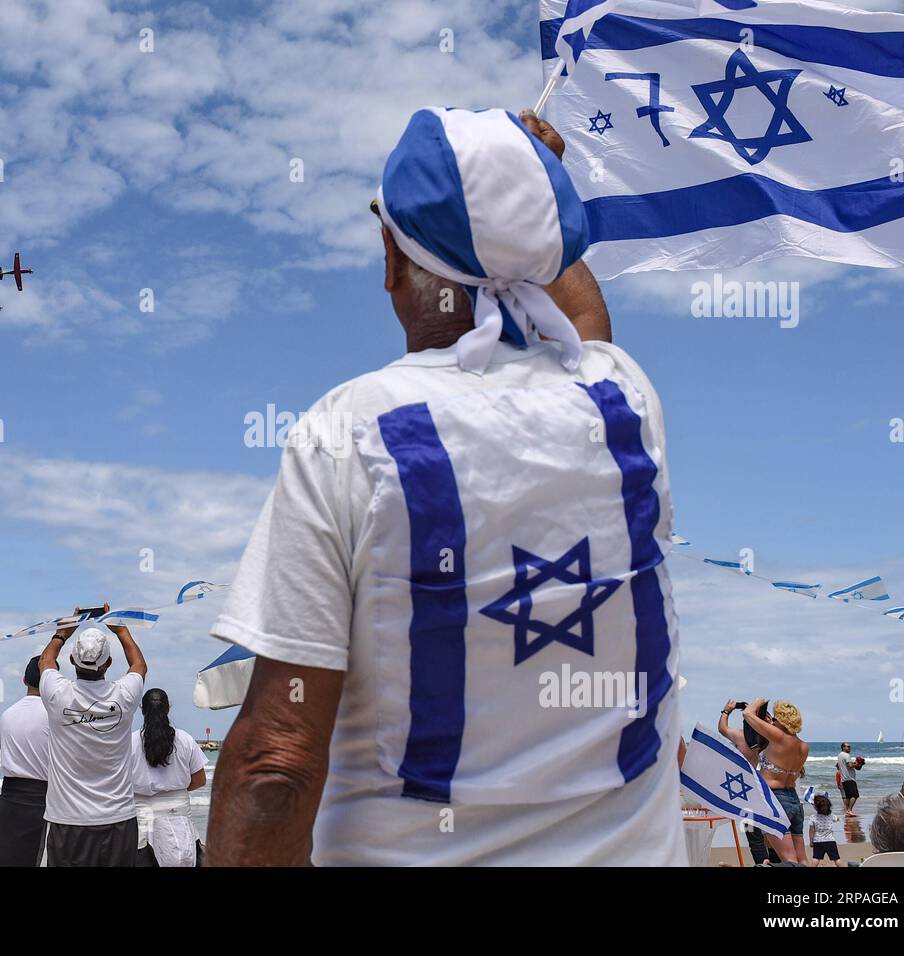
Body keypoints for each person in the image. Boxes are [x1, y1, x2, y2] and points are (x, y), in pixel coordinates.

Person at [207, 107, 685, 866]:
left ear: (391, 260)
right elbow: (587, 323)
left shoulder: (349, 430)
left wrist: (521, 189)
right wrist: (530, 193)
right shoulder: (624, 401)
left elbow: (277, 763)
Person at [37, 605, 147, 866]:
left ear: (73, 660)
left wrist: (62, 633)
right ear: (108, 663)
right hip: (118, 818)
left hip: (68, 821)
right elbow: (139, 665)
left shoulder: (57, 694)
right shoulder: (125, 695)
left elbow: (46, 662)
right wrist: (120, 629)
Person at [0, 656, 51, 867]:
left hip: (8, 795)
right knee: (28, 858)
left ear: (24, 680)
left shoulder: (7, 714)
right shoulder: (53, 716)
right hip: (39, 798)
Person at [718, 698, 809, 864]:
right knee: (802, 860)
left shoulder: (777, 738)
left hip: (773, 800)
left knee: (788, 859)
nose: (771, 721)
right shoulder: (803, 746)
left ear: (781, 721)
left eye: (774, 718)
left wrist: (757, 702)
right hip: (794, 801)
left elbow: (747, 714)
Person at [130, 688, 208, 867]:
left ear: (142, 709)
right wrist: (175, 788)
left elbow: (121, 783)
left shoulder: (131, 742)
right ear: (168, 708)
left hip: (142, 819)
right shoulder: (185, 739)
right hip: (179, 817)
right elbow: (200, 779)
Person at [808, 792, 841, 867]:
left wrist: (811, 841)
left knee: (816, 859)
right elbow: (837, 819)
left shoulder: (813, 817)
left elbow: (811, 830)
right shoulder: (831, 816)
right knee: (837, 859)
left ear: (815, 807)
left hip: (818, 841)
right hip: (830, 841)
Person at [837, 742, 861, 817]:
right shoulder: (847, 755)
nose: (849, 748)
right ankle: (849, 810)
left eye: (849, 747)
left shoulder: (840, 755)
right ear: (843, 747)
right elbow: (850, 765)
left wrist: (853, 763)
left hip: (843, 778)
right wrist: (857, 764)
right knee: (855, 795)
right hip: (849, 778)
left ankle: (847, 811)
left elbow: (840, 765)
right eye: (848, 747)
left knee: (848, 796)